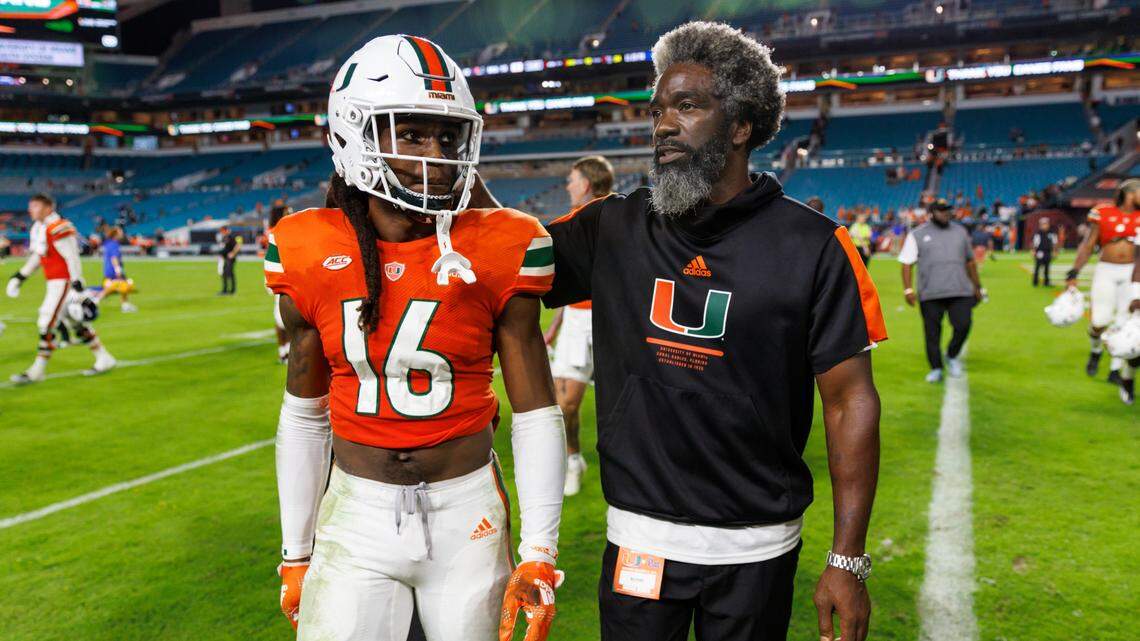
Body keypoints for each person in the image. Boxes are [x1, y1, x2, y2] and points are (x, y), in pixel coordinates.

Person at [537, 22, 884, 641]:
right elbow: (501, 256)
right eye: (658, 109)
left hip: (756, 547)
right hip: (639, 538)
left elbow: (850, 400)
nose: (663, 124)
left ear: (742, 125)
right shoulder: (612, 228)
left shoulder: (815, 247)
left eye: (688, 106)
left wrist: (848, 560)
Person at [267, 35, 566, 641]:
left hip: (467, 516)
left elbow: (536, 411)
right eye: (412, 134)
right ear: (354, 134)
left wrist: (540, 548)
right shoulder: (306, 245)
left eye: (448, 136)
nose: (436, 154)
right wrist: (295, 551)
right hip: (355, 513)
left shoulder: (499, 243)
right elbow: (304, 414)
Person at [543, 155, 614, 496]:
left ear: (585, 184)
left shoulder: (621, 221)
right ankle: (573, 460)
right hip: (575, 319)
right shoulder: (567, 224)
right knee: (565, 404)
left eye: (572, 180)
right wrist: (556, 325)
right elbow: (571, 284)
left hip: (612, 322)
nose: (568, 186)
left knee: (626, 405)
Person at [6, 194, 116, 383]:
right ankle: (104, 358)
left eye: (35, 206)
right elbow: (39, 257)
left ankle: (37, 370)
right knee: (76, 323)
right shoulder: (39, 228)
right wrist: (21, 276)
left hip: (63, 281)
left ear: (48, 207)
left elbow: (71, 256)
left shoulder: (58, 226)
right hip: (54, 281)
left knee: (46, 321)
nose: (31, 210)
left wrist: (77, 283)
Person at [899, 198, 985, 383]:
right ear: (932, 213)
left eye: (947, 210)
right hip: (930, 292)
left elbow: (970, 261)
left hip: (960, 289)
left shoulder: (960, 232)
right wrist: (908, 289)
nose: (944, 213)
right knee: (932, 333)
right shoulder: (917, 234)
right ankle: (936, 368)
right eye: (940, 210)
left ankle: (952, 355)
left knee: (963, 325)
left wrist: (977, 286)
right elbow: (906, 263)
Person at [1066, 178, 1140, 393]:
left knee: (1123, 322)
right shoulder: (1103, 212)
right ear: (1129, 192)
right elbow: (1089, 244)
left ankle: (1115, 370)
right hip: (1106, 270)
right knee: (1099, 321)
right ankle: (1096, 351)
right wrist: (1074, 270)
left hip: (1131, 273)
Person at [267, 201, 293, 363]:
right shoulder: (275, 231)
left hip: (288, 271)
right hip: (280, 271)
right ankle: (284, 350)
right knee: (282, 317)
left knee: (288, 316)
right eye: (286, 211)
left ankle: (287, 349)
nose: (289, 212)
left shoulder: (285, 227)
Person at [96, 226, 137, 312]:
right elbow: (114, 258)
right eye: (120, 233)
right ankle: (94, 301)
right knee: (109, 289)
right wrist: (118, 269)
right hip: (113, 270)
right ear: (116, 234)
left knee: (123, 284)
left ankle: (125, 305)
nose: (122, 234)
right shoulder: (114, 244)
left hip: (109, 269)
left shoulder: (109, 243)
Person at [1031, 218, 1059, 287]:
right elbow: (1035, 243)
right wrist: (1033, 251)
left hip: (1048, 252)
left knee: (1047, 267)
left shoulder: (1052, 233)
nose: (1044, 226)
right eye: (1043, 224)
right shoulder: (1038, 233)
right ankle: (1035, 281)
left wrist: (1055, 251)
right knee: (1037, 267)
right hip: (1040, 252)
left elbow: (1055, 243)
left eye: (1045, 224)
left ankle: (1046, 282)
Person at [218, 225, 242, 295]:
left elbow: (238, 245)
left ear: (225, 230)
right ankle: (225, 290)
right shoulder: (224, 237)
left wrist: (233, 253)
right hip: (225, 258)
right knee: (224, 274)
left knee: (230, 273)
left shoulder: (232, 236)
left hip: (230, 258)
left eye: (222, 231)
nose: (221, 232)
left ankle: (232, 290)